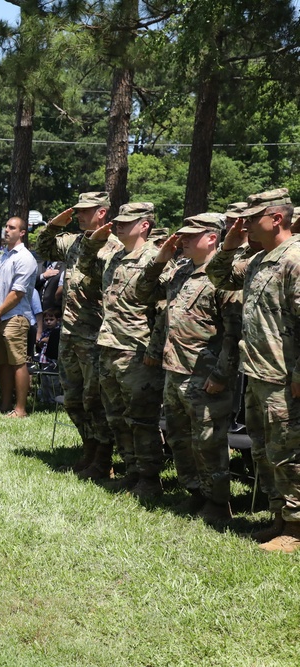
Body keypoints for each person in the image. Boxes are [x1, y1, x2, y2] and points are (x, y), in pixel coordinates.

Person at [207, 188, 300, 552]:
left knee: (289, 453)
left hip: (283, 377)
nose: (245, 223)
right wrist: (230, 242)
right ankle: (280, 519)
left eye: (252, 217)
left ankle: (295, 530)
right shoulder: (261, 259)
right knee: (264, 452)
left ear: (276, 218)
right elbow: (219, 274)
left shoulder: (294, 258)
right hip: (258, 373)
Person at [135, 212, 241, 522]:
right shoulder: (180, 271)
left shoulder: (224, 277)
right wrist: (159, 260)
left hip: (205, 374)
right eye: (180, 235)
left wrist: (221, 374)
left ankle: (219, 504)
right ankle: (196, 494)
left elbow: (234, 334)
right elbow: (142, 292)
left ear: (211, 238)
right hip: (175, 370)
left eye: (190, 236)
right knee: (181, 439)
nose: (182, 240)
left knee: (208, 442)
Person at [79, 202, 168, 497]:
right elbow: (83, 266)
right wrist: (93, 242)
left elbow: (165, 308)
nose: (118, 225)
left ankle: (150, 478)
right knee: (116, 416)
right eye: (117, 220)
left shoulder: (156, 257)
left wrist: (155, 349)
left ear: (145, 225)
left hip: (137, 349)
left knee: (141, 418)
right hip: (108, 345)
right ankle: (132, 471)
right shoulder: (114, 256)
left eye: (126, 221)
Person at [36, 191, 119, 477]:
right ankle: (89, 448)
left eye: (87, 210)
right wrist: (55, 224)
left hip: (95, 333)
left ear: (102, 213)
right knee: (73, 399)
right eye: (78, 210)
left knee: (94, 399)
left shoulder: (113, 246)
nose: (80, 215)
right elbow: (44, 248)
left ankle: (103, 458)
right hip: (70, 333)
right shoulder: (73, 241)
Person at [0, 216, 38, 418]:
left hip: (15, 318)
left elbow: (18, 293)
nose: (6, 230)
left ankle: (21, 409)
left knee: (18, 362)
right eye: (6, 227)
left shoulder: (25, 258)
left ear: (22, 232)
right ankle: (5, 405)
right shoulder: (2, 257)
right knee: (4, 363)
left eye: (12, 227)